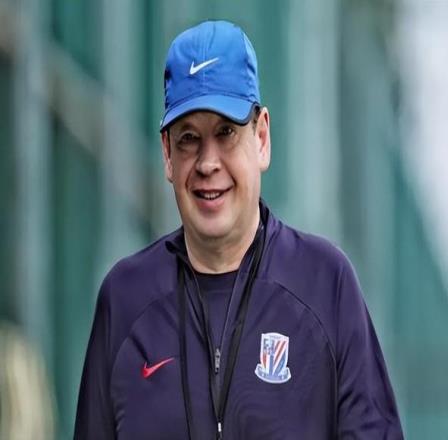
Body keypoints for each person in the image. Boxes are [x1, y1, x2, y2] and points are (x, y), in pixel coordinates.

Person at [74, 20, 403, 440]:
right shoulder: (126, 297)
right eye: (188, 138)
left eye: (226, 133)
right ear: (168, 155)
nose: (208, 163)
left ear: (261, 138)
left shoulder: (325, 283)